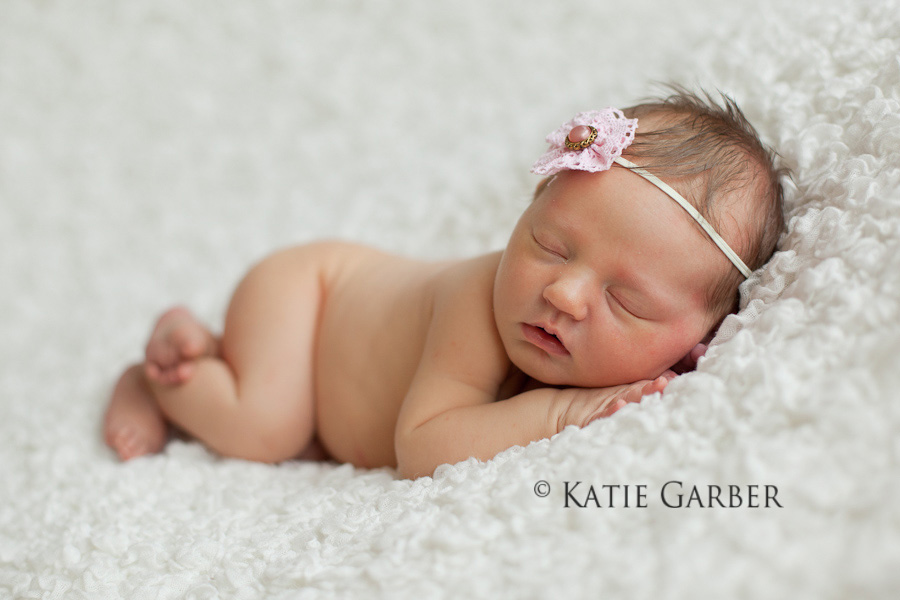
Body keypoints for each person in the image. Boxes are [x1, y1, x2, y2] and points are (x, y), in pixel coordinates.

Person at [103, 88, 785, 479]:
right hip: (307, 297)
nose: (563, 294)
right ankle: (162, 378)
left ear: (699, 337)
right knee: (268, 430)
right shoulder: (477, 303)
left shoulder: (663, 348)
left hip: (332, 370)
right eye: (547, 246)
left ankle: (215, 350)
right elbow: (424, 446)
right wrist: (563, 413)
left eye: (625, 300)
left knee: (303, 430)